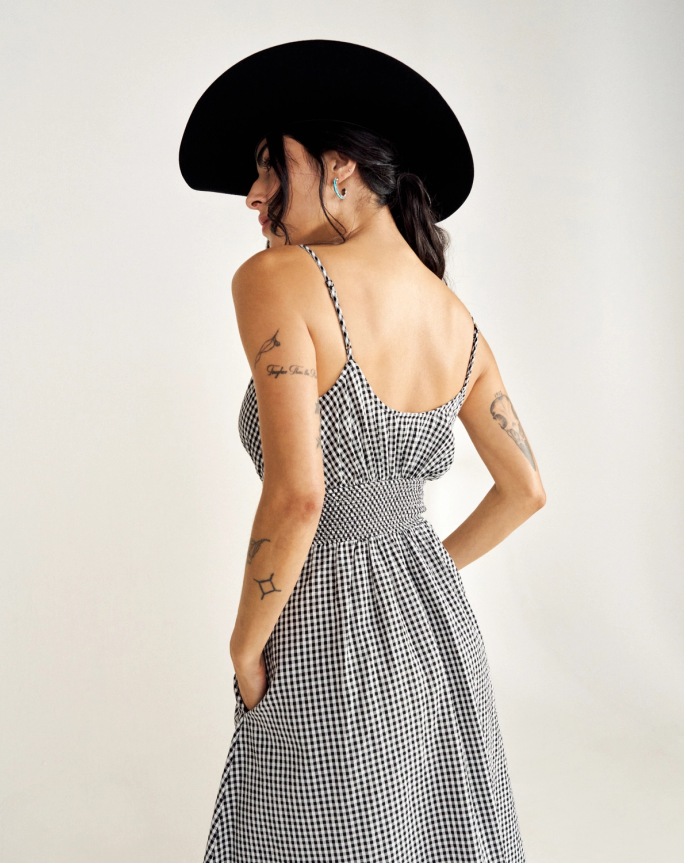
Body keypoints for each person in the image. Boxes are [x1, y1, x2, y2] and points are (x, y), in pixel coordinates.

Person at [180, 39, 545, 863]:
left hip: (322, 624)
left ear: (338, 166)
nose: (254, 196)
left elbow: (298, 494)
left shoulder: (277, 279)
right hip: (434, 627)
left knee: (303, 833)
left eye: (271, 168)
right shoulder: (458, 319)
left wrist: (244, 644)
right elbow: (526, 488)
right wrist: (420, 570)